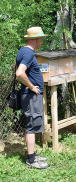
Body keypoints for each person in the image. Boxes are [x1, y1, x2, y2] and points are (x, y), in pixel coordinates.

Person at [16, 27, 49, 169]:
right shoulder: (29, 53)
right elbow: (19, 73)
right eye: (41, 39)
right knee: (32, 125)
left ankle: (33, 154)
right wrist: (31, 86)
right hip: (30, 95)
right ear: (36, 39)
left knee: (32, 123)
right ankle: (31, 159)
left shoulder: (23, 51)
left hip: (29, 95)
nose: (42, 42)